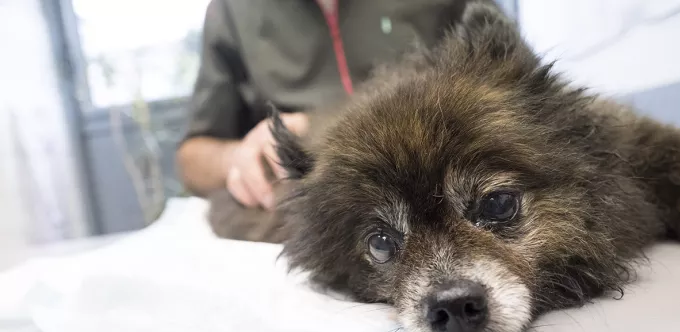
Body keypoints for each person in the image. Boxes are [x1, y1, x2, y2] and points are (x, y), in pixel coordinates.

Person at [177, 0, 475, 209]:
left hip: (445, 177)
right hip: (308, 203)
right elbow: (191, 160)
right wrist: (238, 158)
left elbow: (508, 77)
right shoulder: (232, 10)